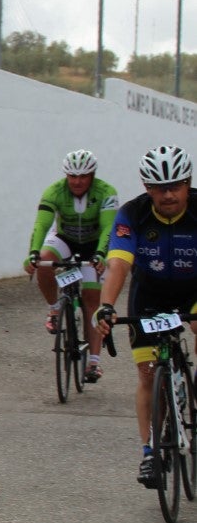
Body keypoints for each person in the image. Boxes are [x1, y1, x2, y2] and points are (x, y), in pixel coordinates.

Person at [94, 145, 197, 489]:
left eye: (176, 186)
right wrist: (106, 306)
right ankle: (150, 451)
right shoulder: (132, 214)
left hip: (193, 291)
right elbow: (119, 264)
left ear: (188, 182)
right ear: (147, 187)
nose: (168, 195)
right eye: (159, 188)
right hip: (149, 296)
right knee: (147, 373)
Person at [25, 149, 118, 381]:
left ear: (92, 174)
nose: (77, 181)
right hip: (65, 239)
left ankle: (93, 363)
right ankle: (55, 308)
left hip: (93, 244)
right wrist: (33, 253)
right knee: (44, 262)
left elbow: (109, 228)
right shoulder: (54, 191)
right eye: (72, 176)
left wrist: (100, 255)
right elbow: (42, 223)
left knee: (91, 300)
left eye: (83, 176)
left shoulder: (106, 192)